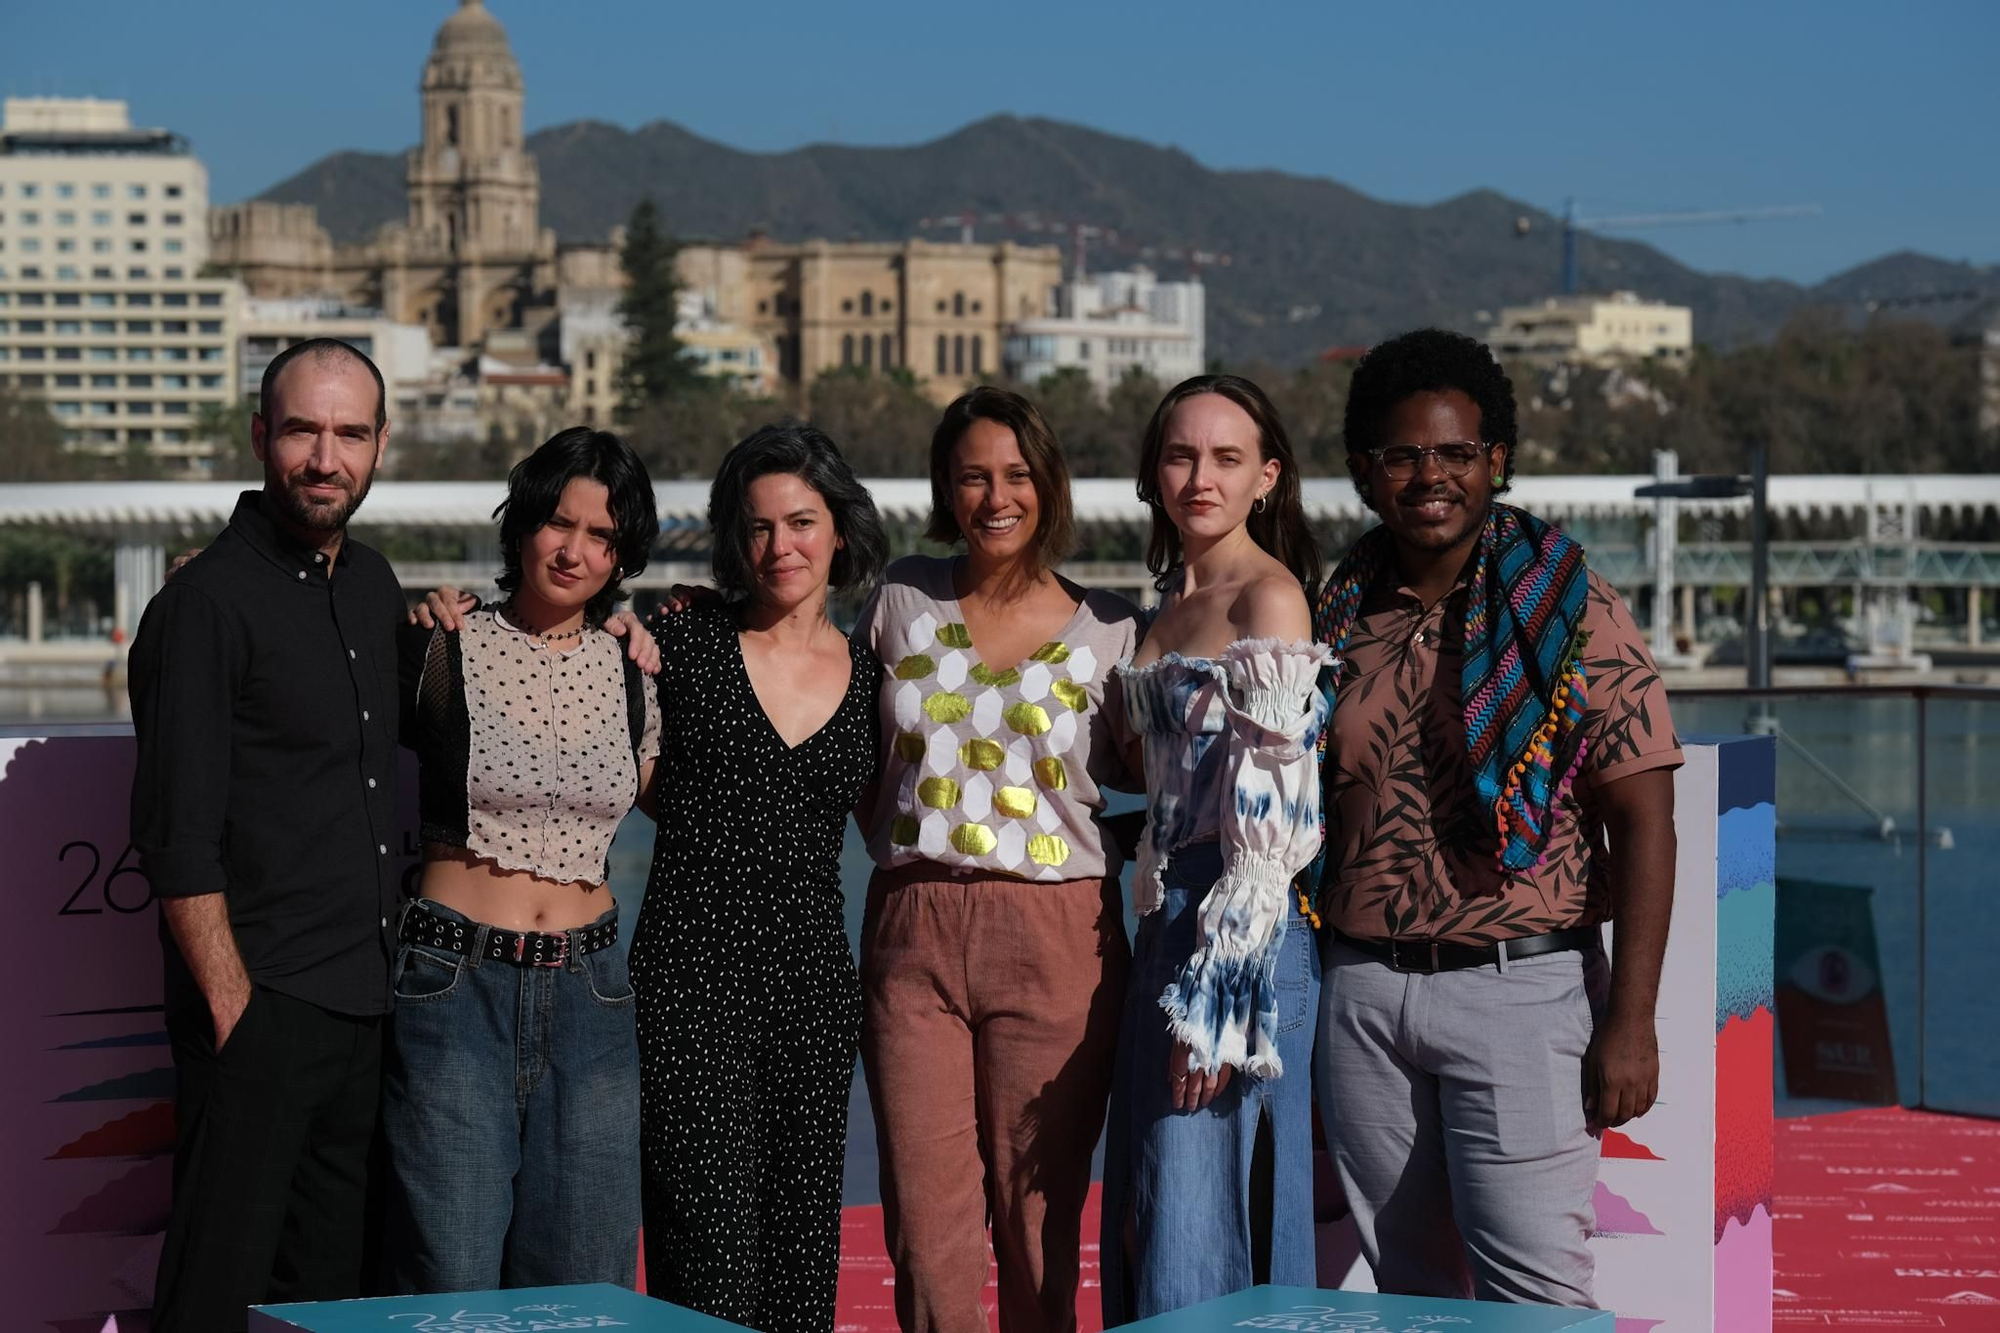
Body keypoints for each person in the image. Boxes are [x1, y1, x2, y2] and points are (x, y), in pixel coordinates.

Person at [1311, 328, 1680, 1306]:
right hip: (1361, 1001)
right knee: (1413, 1296)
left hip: (1518, 993)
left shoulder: (1572, 608)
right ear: (1362, 470)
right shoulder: (1335, 607)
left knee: (1534, 1295)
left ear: (1497, 461)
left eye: (1456, 453)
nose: (1429, 475)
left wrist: (1630, 1022)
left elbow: (1644, 819)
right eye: (1401, 454)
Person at [130, 338, 404, 1331]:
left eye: (348, 433)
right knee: (210, 1300)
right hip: (257, 1012)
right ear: (260, 438)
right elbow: (175, 837)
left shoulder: (375, 588)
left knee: (328, 1310)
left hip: (367, 1014)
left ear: (381, 446)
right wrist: (234, 1012)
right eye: (301, 430)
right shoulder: (202, 606)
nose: (323, 456)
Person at [857, 387, 1141, 1333]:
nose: (995, 495)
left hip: (1057, 935)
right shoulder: (899, 597)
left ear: (1050, 483)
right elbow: (844, 746)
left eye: (1017, 473)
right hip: (912, 933)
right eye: (973, 474)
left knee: (1038, 1214)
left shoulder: (1113, 630)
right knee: (925, 1221)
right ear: (945, 484)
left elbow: (1168, 784)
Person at [383, 427, 663, 1293]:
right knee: (450, 1279)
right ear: (523, 525)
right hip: (453, 984)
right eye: (558, 523)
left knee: (586, 1290)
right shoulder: (440, 644)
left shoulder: (634, 669)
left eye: (602, 535)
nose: (575, 550)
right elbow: (314, 675)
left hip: (592, 995)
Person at [630, 424, 888, 1333]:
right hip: (692, 981)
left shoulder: (873, 678)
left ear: (840, 530)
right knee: (705, 1257)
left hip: (813, 990)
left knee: (798, 1254)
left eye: (802, 521)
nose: (781, 546)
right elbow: (640, 780)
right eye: (758, 527)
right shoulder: (682, 641)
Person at [1100, 375, 1330, 1323]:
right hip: (1167, 929)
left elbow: (1274, 822)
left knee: (1202, 1227)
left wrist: (1222, 996)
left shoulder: (1268, 600)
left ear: (1267, 477)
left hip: (1240, 940)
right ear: (1155, 473)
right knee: (1159, 1216)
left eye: (1227, 458)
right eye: (1182, 455)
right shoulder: (1168, 604)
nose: (1201, 477)